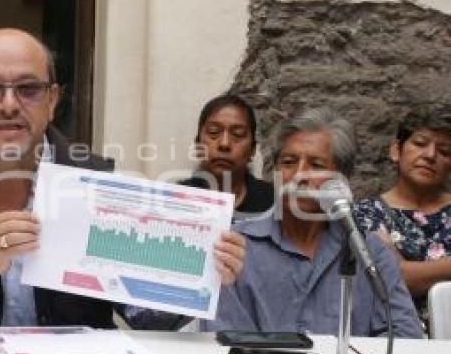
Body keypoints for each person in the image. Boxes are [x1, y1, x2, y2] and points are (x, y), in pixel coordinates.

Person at [0, 27, 246, 327]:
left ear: (53, 100)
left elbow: (145, 316)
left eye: (28, 89)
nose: (9, 105)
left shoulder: (95, 182)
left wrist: (203, 278)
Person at [202, 107, 422, 338]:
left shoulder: (368, 252)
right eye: (289, 162)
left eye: (316, 165)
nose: (299, 176)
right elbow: (224, 339)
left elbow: (405, 334)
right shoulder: (233, 246)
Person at [354, 107, 451, 319]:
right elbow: (392, 279)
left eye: (444, 151)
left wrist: (407, 267)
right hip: (396, 332)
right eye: (420, 144)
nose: (430, 155)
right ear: (396, 151)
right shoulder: (368, 213)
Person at [180, 94, 274, 221]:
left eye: (238, 134)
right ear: (198, 145)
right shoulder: (176, 200)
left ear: (252, 150)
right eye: (214, 132)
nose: (224, 144)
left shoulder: (274, 204)